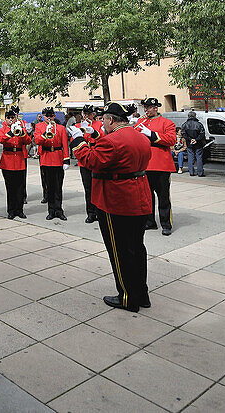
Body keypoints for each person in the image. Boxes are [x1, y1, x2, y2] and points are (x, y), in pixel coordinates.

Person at [69, 101, 153, 312]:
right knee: (137, 248)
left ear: (111, 120)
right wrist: (95, 137)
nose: (102, 123)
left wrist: (78, 140)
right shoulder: (140, 136)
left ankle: (127, 297)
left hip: (117, 200)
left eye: (104, 120)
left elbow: (91, 160)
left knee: (120, 251)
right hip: (139, 197)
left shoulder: (113, 140)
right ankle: (141, 293)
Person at [135, 98, 177, 235]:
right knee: (147, 197)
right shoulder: (141, 122)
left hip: (161, 165)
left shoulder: (167, 123)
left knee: (163, 197)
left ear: (155, 108)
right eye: (145, 107)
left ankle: (166, 224)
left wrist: (151, 135)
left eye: (148, 107)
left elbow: (171, 140)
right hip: (145, 165)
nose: (145, 110)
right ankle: (150, 221)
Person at [34, 107, 69, 221]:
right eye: (47, 115)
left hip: (58, 158)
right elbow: (37, 141)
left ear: (54, 116)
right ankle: (51, 211)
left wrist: (66, 159)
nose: (49, 117)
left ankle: (59, 210)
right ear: (43, 116)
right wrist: (45, 132)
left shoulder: (61, 128)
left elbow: (65, 144)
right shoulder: (39, 126)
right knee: (49, 187)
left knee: (58, 187)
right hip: (46, 158)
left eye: (51, 115)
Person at [0, 108, 31, 220]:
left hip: (20, 160)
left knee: (20, 187)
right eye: (9, 118)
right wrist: (10, 132)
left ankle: (19, 210)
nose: (11, 120)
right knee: (10, 188)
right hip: (8, 160)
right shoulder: (3, 129)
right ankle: (11, 210)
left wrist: (21, 133)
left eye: (13, 117)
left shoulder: (21, 128)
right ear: (6, 119)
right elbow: (0, 139)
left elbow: (28, 141)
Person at [78, 105, 104, 221]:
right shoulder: (78, 126)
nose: (87, 116)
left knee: (98, 187)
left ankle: (100, 211)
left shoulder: (99, 125)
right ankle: (90, 212)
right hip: (84, 159)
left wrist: (93, 132)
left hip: (96, 157)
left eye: (89, 113)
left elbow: (103, 139)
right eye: (85, 113)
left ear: (93, 114)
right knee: (88, 188)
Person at [182, 110, 208, 177]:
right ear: (195, 116)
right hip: (198, 143)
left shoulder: (185, 124)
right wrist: (196, 139)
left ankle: (191, 172)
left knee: (190, 158)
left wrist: (190, 139)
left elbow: (183, 134)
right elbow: (202, 134)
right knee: (199, 158)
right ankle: (200, 173)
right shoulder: (199, 124)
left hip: (189, 143)